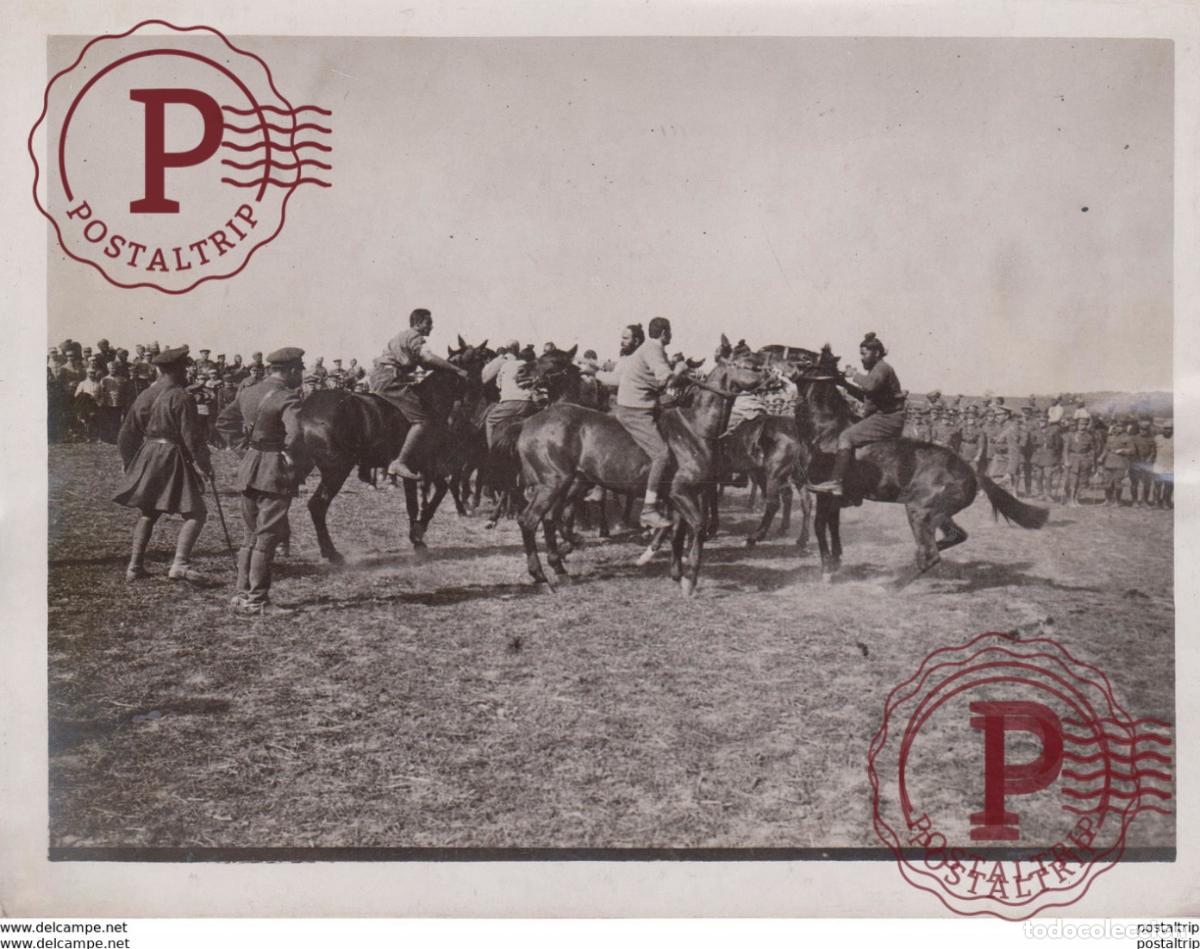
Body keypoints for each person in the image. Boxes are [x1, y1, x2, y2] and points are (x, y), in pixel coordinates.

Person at [216, 347, 306, 614]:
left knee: (250, 535)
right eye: (299, 371)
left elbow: (223, 421)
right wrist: (289, 457)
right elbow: (296, 434)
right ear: (290, 371)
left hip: (250, 466)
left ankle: (242, 594)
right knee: (266, 536)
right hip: (273, 471)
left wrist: (244, 450)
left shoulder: (249, 391)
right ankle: (257, 601)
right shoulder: (288, 398)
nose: (301, 376)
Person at [112, 346, 212, 582]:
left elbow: (126, 435)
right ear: (176, 369)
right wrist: (205, 465)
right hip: (171, 456)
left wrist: (131, 464)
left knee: (149, 511)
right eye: (184, 367)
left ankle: (134, 566)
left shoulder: (145, 395)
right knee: (196, 512)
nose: (187, 371)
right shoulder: (181, 395)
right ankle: (180, 563)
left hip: (148, 454)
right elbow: (192, 438)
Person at [369, 308, 469, 481]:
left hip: (380, 376)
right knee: (422, 420)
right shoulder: (415, 337)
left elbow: (425, 363)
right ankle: (400, 462)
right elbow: (428, 358)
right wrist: (456, 369)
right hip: (390, 380)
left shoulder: (400, 337)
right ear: (417, 323)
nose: (432, 326)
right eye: (428, 323)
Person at [613, 316, 690, 528]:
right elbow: (667, 380)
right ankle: (648, 510)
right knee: (662, 454)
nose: (671, 335)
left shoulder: (650, 348)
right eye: (670, 331)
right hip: (635, 409)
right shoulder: (653, 349)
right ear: (664, 333)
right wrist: (680, 370)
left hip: (644, 405)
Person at [809, 331, 906, 496]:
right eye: (860, 353)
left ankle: (836, 482)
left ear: (876, 353)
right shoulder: (877, 369)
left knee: (846, 437)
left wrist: (854, 375)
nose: (861, 357)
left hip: (888, 419)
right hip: (883, 417)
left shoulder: (882, 368)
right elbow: (866, 396)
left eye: (864, 353)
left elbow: (869, 387)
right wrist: (845, 384)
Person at [481, 340, 539, 447]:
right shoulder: (529, 366)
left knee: (489, 420)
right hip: (528, 403)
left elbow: (497, 384)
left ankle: (491, 450)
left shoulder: (504, 363)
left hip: (510, 403)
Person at [596, 324, 644, 391]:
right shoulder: (626, 357)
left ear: (636, 341)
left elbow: (618, 379)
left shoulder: (639, 359)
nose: (622, 342)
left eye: (625, 338)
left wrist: (595, 373)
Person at [1100, 417, 1136, 506]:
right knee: (1107, 483)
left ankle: (1117, 501)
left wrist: (1122, 451)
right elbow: (1106, 449)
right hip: (1108, 463)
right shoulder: (1110, 437)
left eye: (1120, 426)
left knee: (1117, 483)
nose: (1117, 428)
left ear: (1124, 427)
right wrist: (1101, 457)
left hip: (1120, 463)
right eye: (1116, 426)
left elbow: (1132, 450)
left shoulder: (1127, 438)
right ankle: (1107, 500)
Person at [1063, 416, 1096, 507]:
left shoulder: (1089, 437)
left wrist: (1090, 460)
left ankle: (1076, 499)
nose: (1083, 426)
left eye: (1085, 424)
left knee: (1082, 481)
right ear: (1077, 425)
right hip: (1073, 459)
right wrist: (1066, 460)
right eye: (1081, 424)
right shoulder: (1071, 435)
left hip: (1084, 460)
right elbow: (1066, 449)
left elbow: (1092, 449)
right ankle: (1070, 500)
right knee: (1073, 480)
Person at [1130, 417, 1158, 507]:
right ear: (1139, 429)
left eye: (1145, 430)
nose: (1143, 432)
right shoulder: (1134, 438)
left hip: (1147, 464)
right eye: (1142, 430)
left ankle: (1144, 501)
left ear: (1148, 430)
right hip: (1136, 464)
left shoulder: (1152, 439)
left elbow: (1154, 451)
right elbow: (1132, 451)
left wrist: (1150, 458)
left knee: (1147, 483)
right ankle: (1134, 501)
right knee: (1134, 483)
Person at [1152, 423, 1174, 509]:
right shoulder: (1157, 438)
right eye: (1165, 428)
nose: (1167, 430)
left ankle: (1165, 502)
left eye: (1170, 428)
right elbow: (1153, 450)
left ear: (1172, 429)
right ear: (1162, 429)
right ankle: (1156, 502)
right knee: (1157, 485)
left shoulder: (1176, 439)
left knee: (1168, 485)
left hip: (1171, 466)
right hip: (1159, 465)